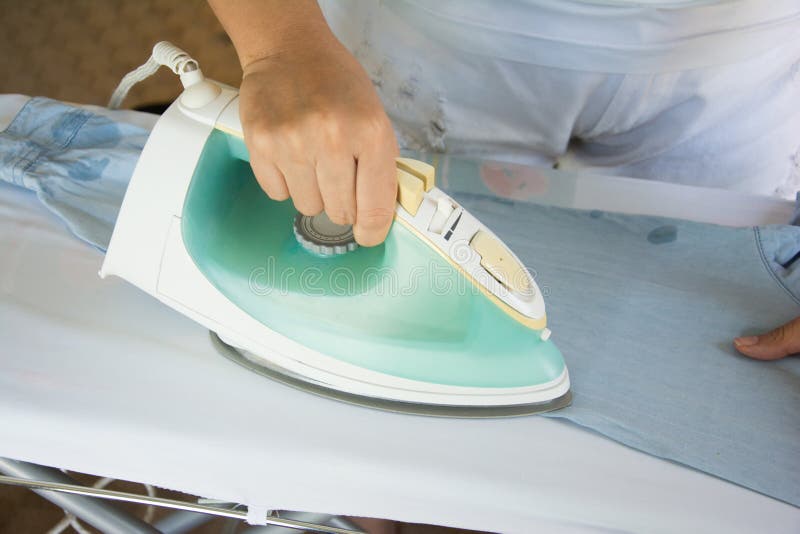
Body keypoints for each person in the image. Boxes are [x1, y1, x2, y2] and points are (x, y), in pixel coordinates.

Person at [207, 0, 799, 371]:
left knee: (695, 336)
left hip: (740, 63)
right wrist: (282, 45)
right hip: (435, 36)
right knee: (382, 276)